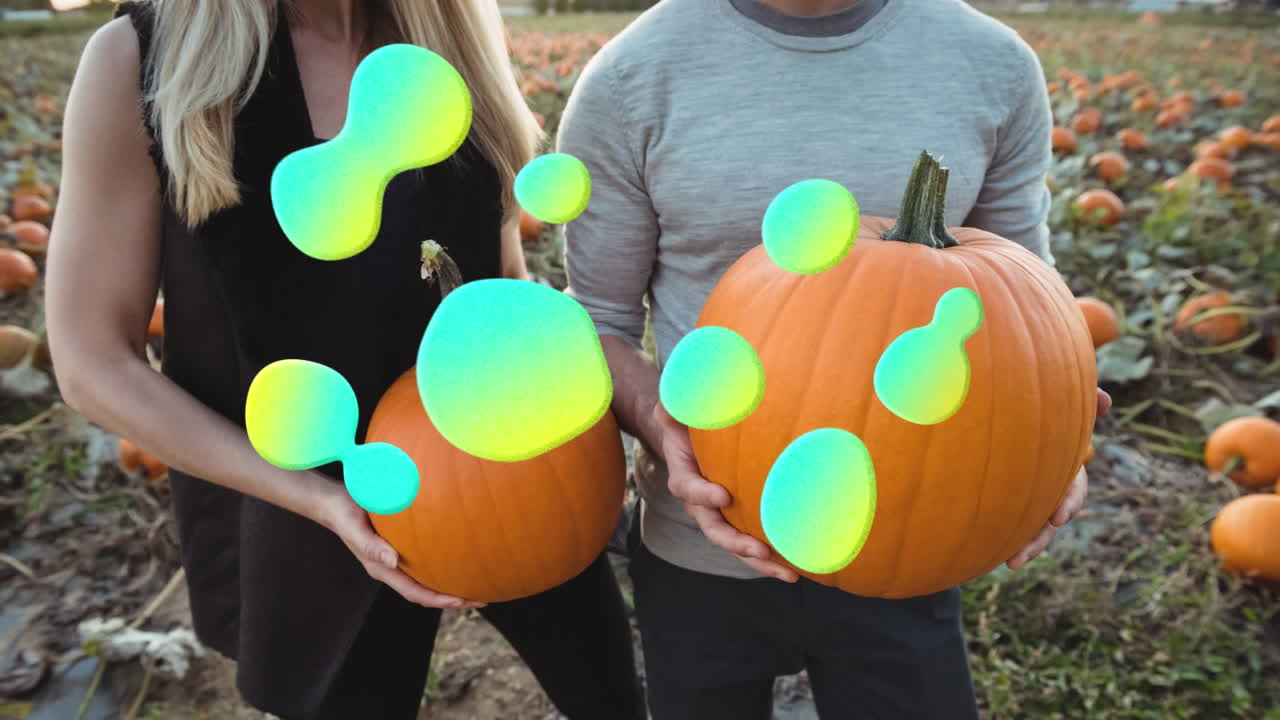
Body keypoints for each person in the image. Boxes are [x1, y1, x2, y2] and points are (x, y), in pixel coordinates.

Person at [44, 1, 644, 718]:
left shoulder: (451, 34)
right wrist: (318, 500)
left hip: (513, 458)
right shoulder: (141, 61)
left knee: (611, 695)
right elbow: (91, 360)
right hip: (302, 495)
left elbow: (501, 274)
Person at [558, 0, 1112, 717]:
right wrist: (664, 427)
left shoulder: (993, 66)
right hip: (709, 534)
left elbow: (1032, 310)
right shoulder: (631, 78)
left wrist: (1055, 439)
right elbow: (599, 324)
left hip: (916, 530)